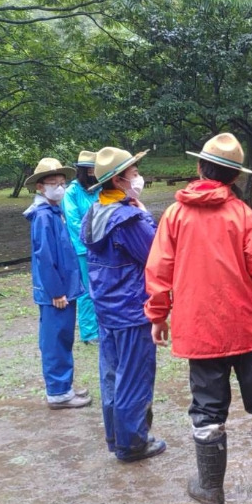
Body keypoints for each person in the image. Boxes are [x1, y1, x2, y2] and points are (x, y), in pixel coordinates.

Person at [145, 133, 252, 504]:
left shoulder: (174, 216)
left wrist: (157, 315)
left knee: (206, 407)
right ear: (234, 178)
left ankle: (211, 487)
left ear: (199, 167)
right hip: (248, 328)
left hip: (199, 332)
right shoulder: (241, 215)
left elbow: (158, 271)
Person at [81, 146, 166, 462]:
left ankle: (117, 436)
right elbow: (155, 253)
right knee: (135, 375)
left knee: (112, 375)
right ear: (118, 180)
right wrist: (143, 214)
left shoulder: (94, 213)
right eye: (133, 174)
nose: (138, 178)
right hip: (132, 309)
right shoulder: (127, 219)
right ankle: (133, 443)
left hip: (106, 308)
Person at [23, 158, 91, 409]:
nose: (59, 188)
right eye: (53, 183)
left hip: (65, 288)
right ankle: (59, 392)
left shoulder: (54, 211)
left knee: (62, 338)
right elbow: (45, 257)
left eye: (62, 183)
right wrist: (56, 291)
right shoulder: (43, 216)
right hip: (56, 293)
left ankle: (64, 386)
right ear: (40, 187)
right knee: (55, 341)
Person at [62, 150, 100, 345]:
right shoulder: (72, 192)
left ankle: (102, 326)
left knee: (102, 287)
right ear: (82, 170)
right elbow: (74, 222)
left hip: (102, 247)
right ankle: (89, 332)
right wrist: (93, 237)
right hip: (83, 248)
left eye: (95, 168)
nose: (93, 172)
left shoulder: (99, 188)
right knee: (87, 290)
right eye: (89, 169)